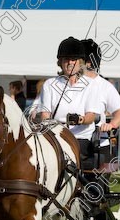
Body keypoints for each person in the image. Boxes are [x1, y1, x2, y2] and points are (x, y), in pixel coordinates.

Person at [39, 36, 99, 171]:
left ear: (80, 62)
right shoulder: (49, 84)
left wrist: (80, 119)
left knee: (68, 157)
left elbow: (91, 116)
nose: (70, 62)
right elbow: (45, 115)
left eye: (74, 59)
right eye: (66, 59)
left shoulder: (90, 85)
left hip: (80, 137)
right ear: (60, 62)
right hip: (55, 136)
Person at [81, 38, 120, 166]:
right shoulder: (67, 84)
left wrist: (111, 125)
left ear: (89, 63)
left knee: (97, 185)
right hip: (68, 143)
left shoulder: (104, 86)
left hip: (97, 146)